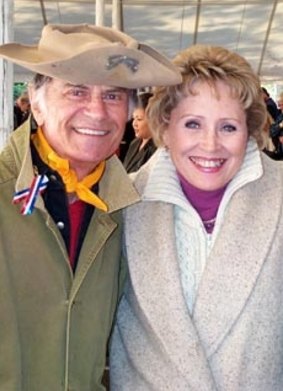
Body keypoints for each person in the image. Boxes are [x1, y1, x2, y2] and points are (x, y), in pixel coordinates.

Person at [0, 23, 181, 390]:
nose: (97, 112)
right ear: (37, 103)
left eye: (113, 96)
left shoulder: (128, 207)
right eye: (77, 91)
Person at [110, 44, 283, 390]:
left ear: (249, 130)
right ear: (165, 126)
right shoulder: (118, 204)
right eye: (192, 124)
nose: (210, 145)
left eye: (228, 128)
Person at [123, 92, 156, 173]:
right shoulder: (134, 144)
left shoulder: (158, 149)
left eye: (139, 119)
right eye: (134, 118)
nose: (134, 124)